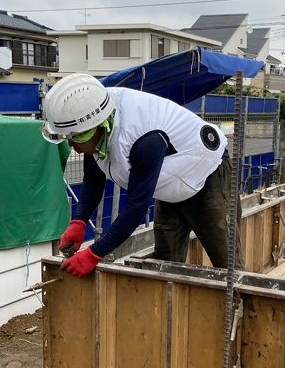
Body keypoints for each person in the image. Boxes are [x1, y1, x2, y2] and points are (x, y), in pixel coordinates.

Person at [40, 73, 243, 278]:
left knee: (228, 267)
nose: (71, 145)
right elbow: (93, 179)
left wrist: (94, 253)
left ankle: (240, 308)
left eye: (74, 138)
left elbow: (135, 209)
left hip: (207, 174)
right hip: (168, 182)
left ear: (98, 127)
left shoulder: (142, 139)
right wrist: (79, 221)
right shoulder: (92, 114)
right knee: (165, 261)